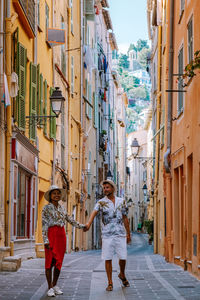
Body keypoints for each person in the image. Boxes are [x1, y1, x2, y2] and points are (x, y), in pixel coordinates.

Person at [84, 179, 131, 291]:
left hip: (120, 233)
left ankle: (122, 274)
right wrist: (88, 224)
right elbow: (93, 213)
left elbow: (125, 218)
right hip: (107, 235)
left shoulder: (122, 201)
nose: (105, 190)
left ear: (113, 188)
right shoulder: (101, 202)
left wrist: (128, 234)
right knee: (108, 257)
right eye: (104, 188)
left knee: (123, 257)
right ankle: (110, 282)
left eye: (107, 187)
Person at [42, 185, 85, 297]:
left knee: (58, 262)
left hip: (61, 235)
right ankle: (49, 287)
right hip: (51, 235)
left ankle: (55, 285)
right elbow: (44, 224)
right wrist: (45, 240)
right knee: (49, 262)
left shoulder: (62, 209)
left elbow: (70, 220)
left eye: (58, 193)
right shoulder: (46, 208)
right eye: (54, 193)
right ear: (50, 196)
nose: (57, 195)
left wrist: (82, 226)